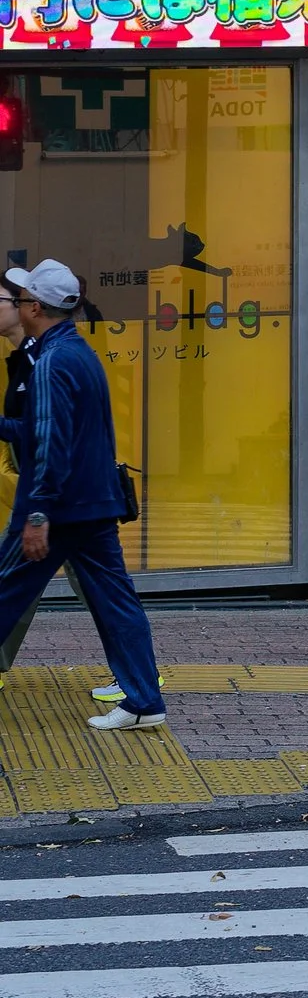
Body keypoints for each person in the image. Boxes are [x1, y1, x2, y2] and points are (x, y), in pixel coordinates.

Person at [0, 259, 168, 734]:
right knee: (116, 603)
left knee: (4, 589)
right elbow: (52, 428)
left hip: (59, 509)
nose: (15, 306)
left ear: (34, 306)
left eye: (19, 300)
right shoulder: (79, 352)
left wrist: (37, 512)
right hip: (94, 504)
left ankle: (142, 699)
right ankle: (143, 699)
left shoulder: (51, 361)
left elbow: (51, 441)